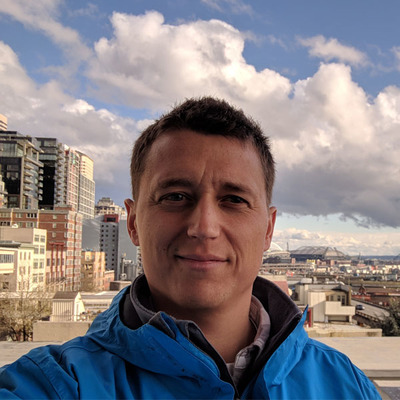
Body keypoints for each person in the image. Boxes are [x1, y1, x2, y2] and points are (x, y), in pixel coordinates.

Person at [0, 97, 380, 399]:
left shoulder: (347, 385)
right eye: (175, 196)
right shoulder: (56, 385)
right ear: (133, 222)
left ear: (268, 229)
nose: (204, 227)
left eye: (234, 200)